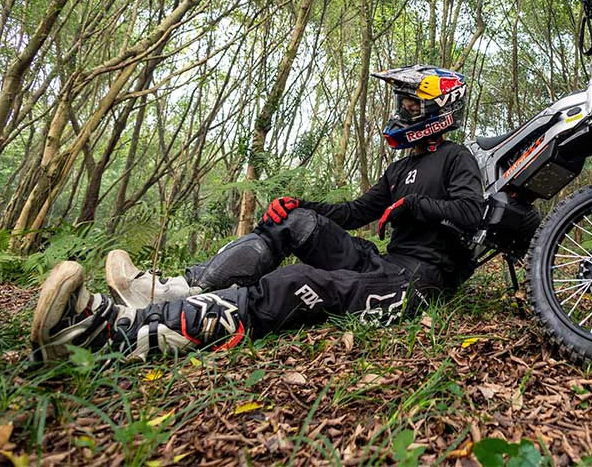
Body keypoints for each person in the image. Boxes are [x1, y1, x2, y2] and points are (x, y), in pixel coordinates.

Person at [30, 65, 484, 362]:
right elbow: (355, 211)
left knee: (299, 282)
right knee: (293, 222)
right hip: (383, 263)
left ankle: (118, 336)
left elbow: (471, 213)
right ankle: (167, 292)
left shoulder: (456, 157)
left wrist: (415, 205)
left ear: (439, 109)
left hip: (418, 280)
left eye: (412, 103)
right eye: (403, 102)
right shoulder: (400, 167)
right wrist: (302, 206)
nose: (404, 110)